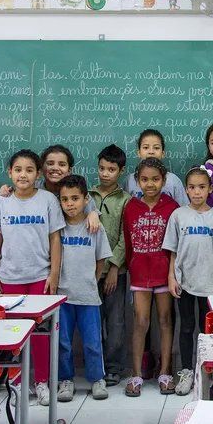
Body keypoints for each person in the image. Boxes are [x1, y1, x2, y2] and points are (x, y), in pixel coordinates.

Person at [0, 149, 65, 406]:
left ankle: (42, 381)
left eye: (29, 170)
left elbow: (55, 238)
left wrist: (53, 273)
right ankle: (16, 381)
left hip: (40, 276)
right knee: (13, 334)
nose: (23, 175)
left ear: (38, 174)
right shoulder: (0, 202)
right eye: (18, 170)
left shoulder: (48, 201)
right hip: (9, 276)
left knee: (41, 334)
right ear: (9, 172)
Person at [164, 167, 213, 395]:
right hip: (185, 282)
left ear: (210, 189)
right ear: (186, 189)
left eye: (202, 187)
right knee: (186, 327)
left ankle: (209, 369)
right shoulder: (178, 215)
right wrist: (171, 276)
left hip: (211, 283)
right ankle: (186, 371)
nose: (197, 192)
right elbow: (172, 251)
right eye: (192, 187)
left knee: (209, 330)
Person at [123, 158, 179, 397]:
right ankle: (136, 375)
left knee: (166, 321)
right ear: (137, 181)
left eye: (155, 179)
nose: (150, 184)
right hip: (139, 273)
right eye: (144, 179)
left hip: (165, 273)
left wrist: (173, 272)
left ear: (164, 181)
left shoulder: (172, 206)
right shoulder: (131, 207)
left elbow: (176, 243)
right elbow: (126, 240)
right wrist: (129, 265)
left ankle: (165, 373)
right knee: (140, 322)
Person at [56, 175, 112, 402]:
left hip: (88, 295)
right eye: (65, 199)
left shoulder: (95, 228)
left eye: (75, 198)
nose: (70, 204)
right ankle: (65, 380)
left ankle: (97, 378)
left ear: (86, 199)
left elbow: (101, 260)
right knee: (63, 342)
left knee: (92, 341)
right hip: (61, 296)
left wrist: (93, 279)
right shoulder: (57, 228)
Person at [90, 144, 132, 387]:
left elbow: (126, 237)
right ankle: (96, 365)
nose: (105, 173)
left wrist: (115, 266)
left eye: (111, 169)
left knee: (116, 322)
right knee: (92, 321)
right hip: (89, 272)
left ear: (121, 171)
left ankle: (114, 366)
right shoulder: (87, 196)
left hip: (117, 272)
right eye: (102, 168)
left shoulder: (126, 200)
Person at [125, 129, 189, 205]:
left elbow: (183, 209)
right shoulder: (129, 180)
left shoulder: (173, 181)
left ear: (163, 153)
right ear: (139, 153)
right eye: (146, 148)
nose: (151, 152)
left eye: (156, 148)